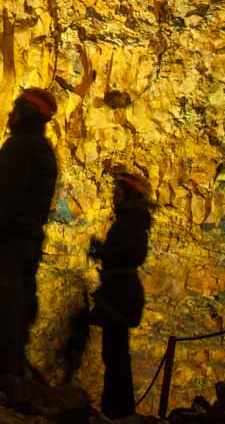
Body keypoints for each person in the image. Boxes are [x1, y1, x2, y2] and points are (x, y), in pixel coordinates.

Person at [0, 88, 59, 378]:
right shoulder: (44, 152)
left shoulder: (20, 148)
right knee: (17, 313)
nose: (10, 115)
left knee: (3, 315)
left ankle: (5, 386)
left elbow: (5, 201)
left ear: (27, 114)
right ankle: (13, 379)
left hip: (9, 244)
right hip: (27, 245)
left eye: (16, 109)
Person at [88, 171, 153, 421]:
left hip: (120, 290)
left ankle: (117, 410)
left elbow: (130, 254)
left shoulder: (131, 222)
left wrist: (102, 251)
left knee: (115, 353)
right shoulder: (134, 221)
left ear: (128, 196)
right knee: (115, 352)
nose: (114, 196)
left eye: (118, 191)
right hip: (120, 288)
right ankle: (116, 408)